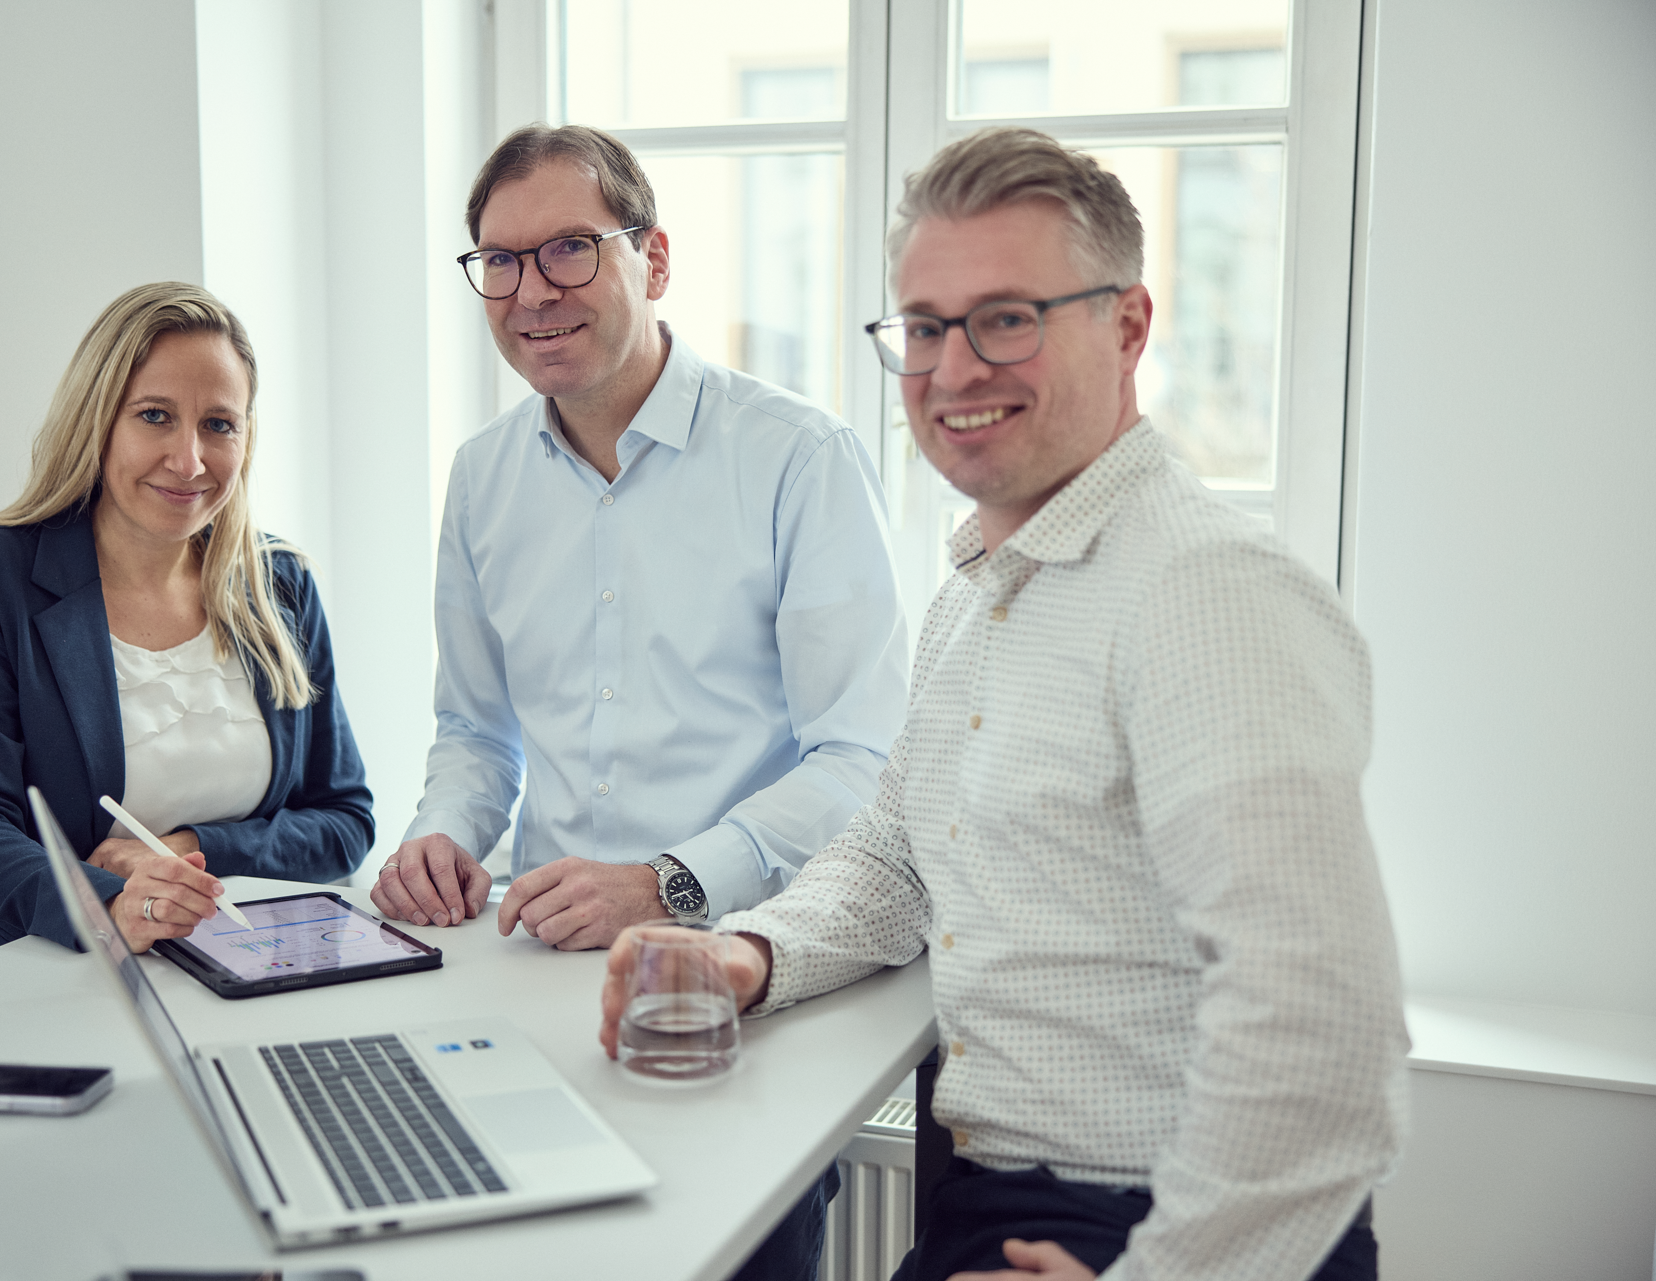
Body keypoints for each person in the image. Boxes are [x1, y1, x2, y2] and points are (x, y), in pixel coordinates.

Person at [599, 127, 1410, 1281]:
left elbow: (1323, 1030)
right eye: (926, 327)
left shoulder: (1206, 594)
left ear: (1128, 327)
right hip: (995, 1197)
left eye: (1008, 318)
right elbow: (897, 854)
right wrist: (749, 954)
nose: (955, 368)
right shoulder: (981, 592)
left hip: (1162, 1224)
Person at [372, 124, 907, 1281]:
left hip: (747, 979)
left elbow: (862, 760)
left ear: (653, 259)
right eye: (499, 261)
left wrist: (670, 881)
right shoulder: (481, 476)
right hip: (539, 986)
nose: (532, 292)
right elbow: (474, 731)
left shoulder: (799, 458)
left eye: (569, 248)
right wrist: (441, 835)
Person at [0, 282, 375, 967]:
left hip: (249, 971)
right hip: (51, 973)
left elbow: (344, 821)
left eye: (219, 424)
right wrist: (108, 906)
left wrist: (189, 851)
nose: (189, 460)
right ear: (97, 419)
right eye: (155, 416)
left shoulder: (278, 582)